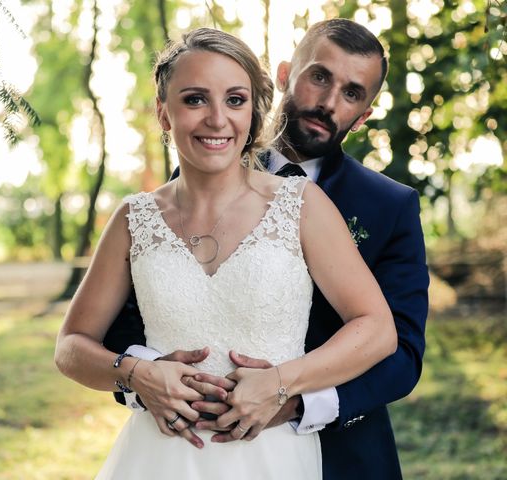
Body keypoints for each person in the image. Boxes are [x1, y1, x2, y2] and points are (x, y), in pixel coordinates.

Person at [55, 27, 398, 479]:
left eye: (235, 100)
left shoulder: (301, 205)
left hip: (271, 457)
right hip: (157, 458)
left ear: (253, 113)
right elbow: (70, 347)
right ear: (163, 112)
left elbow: (377, 330)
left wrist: (280, 384)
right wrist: (137, 374)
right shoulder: (132, 218)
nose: (217, 120)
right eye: (195, 99)